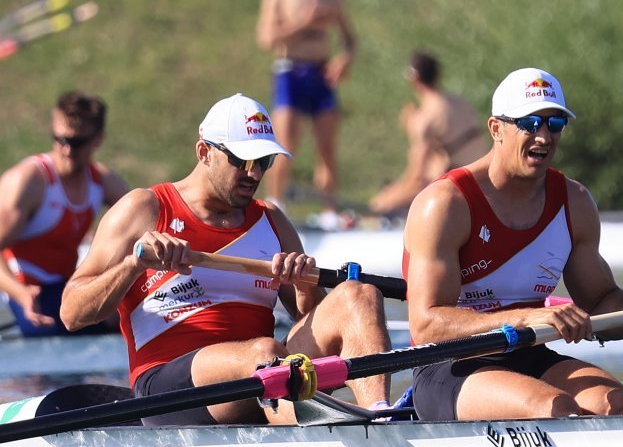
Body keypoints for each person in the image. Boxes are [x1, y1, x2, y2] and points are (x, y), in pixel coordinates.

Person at [60, 93, 390, 426]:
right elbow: (72, 313)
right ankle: (313, 424)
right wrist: (134, 264)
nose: (255, 174)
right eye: (243, 160)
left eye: (264, 162)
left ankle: (379, 417)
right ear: (204, 152)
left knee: (359, 295)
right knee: (264, 352)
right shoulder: (145, 209)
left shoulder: (272, 220)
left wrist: (303, 286)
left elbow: (313, 322)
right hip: (167, 391)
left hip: (265, 373)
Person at [402, 68, 623, 421]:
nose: (543, 136)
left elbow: (601, 305)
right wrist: (528, 316)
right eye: (530, 123)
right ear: (497, 129)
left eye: (554, 124)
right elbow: (427, 324)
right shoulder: (446, 204)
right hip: (449, 367)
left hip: (529, 355)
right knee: (557, 410)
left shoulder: (574, 202)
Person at [0, 91, 129, 337]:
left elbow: (147, 222)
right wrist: (20, 293)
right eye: (59, 139)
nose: (66, 149)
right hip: (26, 290)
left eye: (77, 142)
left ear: (98, 139)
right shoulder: (30, 181)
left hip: (63, 287)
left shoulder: (102, 180)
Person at [256, 0, 356, 230]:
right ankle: (276, 203)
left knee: (327, 146)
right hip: (290, 73)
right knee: (286, 142)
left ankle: (329, 209)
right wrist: (304, 22)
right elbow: (267, 39)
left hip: (321, 74)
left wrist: (344, 59)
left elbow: (350, 39)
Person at [369, 52, 488, 218]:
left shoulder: (426, 118)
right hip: (481, 177)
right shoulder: (460, 102)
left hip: (458, 183)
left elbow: (416, 176)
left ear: (414, 80)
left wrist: (393, 193)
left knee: (379, 205)